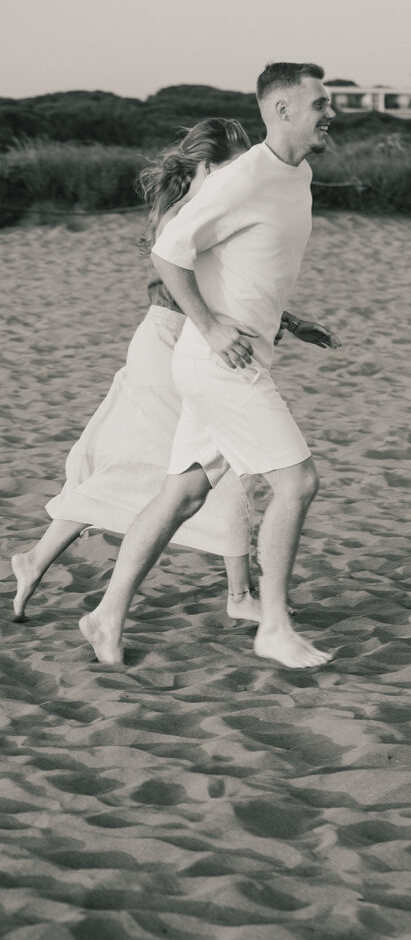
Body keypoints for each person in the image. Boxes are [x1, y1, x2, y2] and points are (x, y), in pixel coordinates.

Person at [12, 116, 340, 627]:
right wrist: (220, 328)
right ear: (205, 166)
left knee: (158, 473)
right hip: (169, 342)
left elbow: (234, 282)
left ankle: (36, 561)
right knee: (218, 472)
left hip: (174, 341)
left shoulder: (217, 205)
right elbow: (197, 290)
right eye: (232, 165)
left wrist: (290, 323)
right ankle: (240, 594)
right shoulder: (188, 214)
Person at [79, 62, 337, 670]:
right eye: (320, 103)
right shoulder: (242, 178)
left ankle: (104, 614)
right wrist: (214, 326)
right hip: (221, 362)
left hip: (237, 355)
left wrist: (289, 321)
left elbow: (248, 266)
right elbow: (170, 253)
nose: (331, 113)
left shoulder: (296, 175)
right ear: (281, 110)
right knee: (297, 482)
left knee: (182, 494)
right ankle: (272, 625)